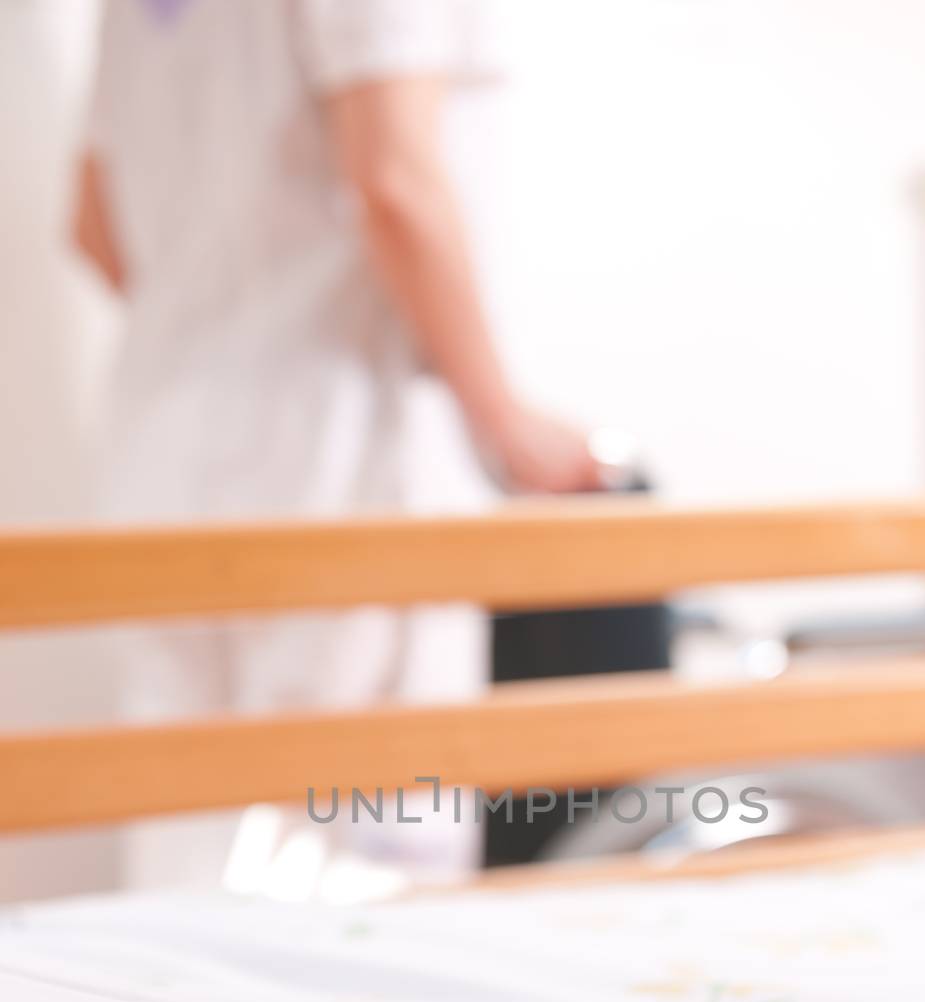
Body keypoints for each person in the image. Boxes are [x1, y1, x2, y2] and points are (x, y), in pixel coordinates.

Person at [72, 0, 600, 888]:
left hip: (162, 449)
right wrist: (503, 421)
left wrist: (222, 330)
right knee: (363, 861)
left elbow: (93, 225)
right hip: (338, 450)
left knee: (186, 836)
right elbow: (393, 181)